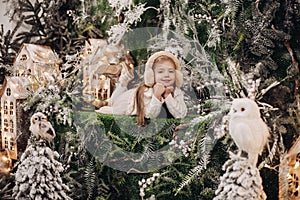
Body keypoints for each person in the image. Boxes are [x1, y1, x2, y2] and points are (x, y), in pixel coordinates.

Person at [96, 51, 187, 125]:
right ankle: (123, 83)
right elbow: (151, 114)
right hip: (128, 100)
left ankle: (123, 82)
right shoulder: (147, 92)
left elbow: (181, 114)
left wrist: (168, 95)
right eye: (161, 71)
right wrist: (156, 95)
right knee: (114, 107)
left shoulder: (176, 92)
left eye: (171, 71)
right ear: (152, 75)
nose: (166, 75)